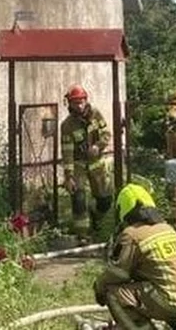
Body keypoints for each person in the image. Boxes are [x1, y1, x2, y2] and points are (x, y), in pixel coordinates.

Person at [95, 184, 176, 330]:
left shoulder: (131, 234)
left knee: (113, 293)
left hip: (167, 302)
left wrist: (98, 287)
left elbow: (117, 274)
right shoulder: (168, 229)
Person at [60, 84, 114, 239]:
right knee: (78, 199)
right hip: (78, 165)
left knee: (105, 199)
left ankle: (97, 218)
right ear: (69, 104)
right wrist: (69, 176)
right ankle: (82, 235)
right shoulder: (67, 125)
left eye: (82, 101)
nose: (79, 105)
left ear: (86, 100)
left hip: (97, 163)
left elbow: (106, 133)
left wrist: (98, 146)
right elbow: (67, 152)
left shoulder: (96, 114)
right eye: (75, 102)